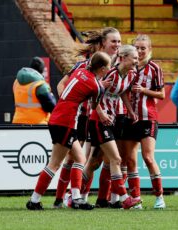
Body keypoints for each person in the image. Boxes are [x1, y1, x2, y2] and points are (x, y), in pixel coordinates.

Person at [26, 51, 111, 210]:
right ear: (103, 69)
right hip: (66, 121)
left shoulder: (80, 70)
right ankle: (34, 200)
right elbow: (93, 106)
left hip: (58, 117)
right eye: (108, 67)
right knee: (55, 164)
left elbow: (70, 86)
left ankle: (77, 198)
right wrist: (101, 88)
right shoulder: (96, 86)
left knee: (79, 159)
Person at [53, 27, 121, 208]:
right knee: (74, 158)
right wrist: (68, 105)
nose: (117, 45)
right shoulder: (85, 65)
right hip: (85, 117)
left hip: (107, 117)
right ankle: (64, 197)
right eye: (113, 41)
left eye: (119, 41)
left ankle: (87, 197)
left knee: (95, 160)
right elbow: (62, 85)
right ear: (102, 43)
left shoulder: (118, 65)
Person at [79, 45, 141, 209]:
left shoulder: (131, 74)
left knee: (94, 162)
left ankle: (75, 196)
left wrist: (130, 111)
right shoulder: (110, 74)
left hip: (113, 120)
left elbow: (121, 93)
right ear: (122, 57)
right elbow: (94, 93)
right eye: (134, 57)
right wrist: (100, 113)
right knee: (116, 159)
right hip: (99, 120)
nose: (137, 60)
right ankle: (124, 198)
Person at [122, 34, 166, 209]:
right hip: (130, 118)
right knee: (130, 161)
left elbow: (162, 94)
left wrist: (144, 90)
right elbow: (122, 92)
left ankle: (159, 197)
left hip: (149, 118)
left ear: (149, 50)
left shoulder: (155, 69)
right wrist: (129, 110)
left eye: (143, 48)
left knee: (148, 157)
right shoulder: (127, 69)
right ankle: (136, 199)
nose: (140, 51)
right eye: (137, 48)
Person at [12, 57, 56, 124]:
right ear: (42, 70)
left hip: (18, 122)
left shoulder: (17, 82)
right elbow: (50, 107)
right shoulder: (40, 85)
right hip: (37, 124)